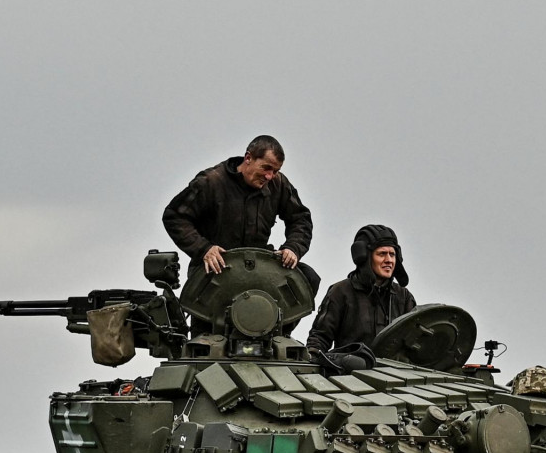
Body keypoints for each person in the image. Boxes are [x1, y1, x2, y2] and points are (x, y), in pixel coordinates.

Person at [163, 135, 316, 283]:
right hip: (216, 268)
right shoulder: (211, 182)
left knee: (308, 278)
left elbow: (300, 218)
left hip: (258, 266)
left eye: (275, 171)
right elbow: (175, 216)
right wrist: (204, 249)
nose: (270, 176)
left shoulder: (279, 185)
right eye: (266, 168)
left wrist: (292, 248)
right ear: (248, 158)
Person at [307, 224, 416, 352]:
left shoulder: (403, 297)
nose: (389, 260)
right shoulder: (341, 292)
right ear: (365, 257)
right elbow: (319, 338)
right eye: (382, 254)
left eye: (392, 255)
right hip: (349, 369)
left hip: (394, 370)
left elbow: (416, 341)